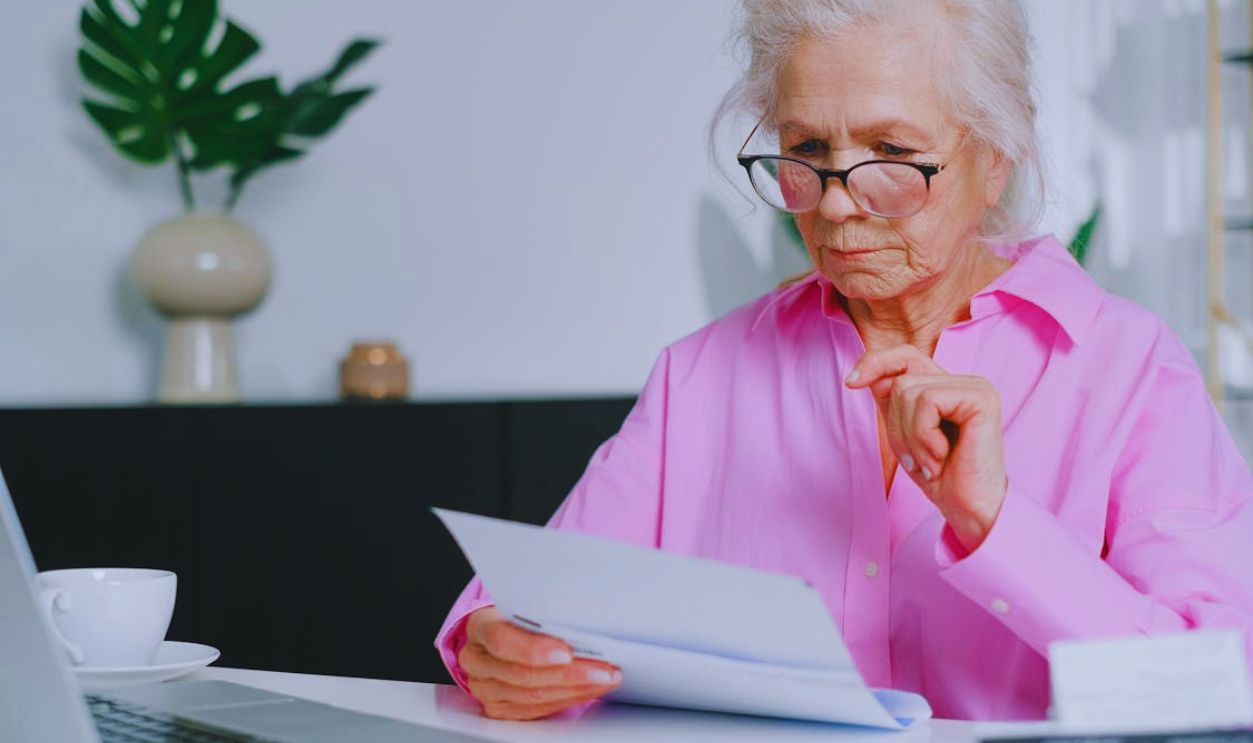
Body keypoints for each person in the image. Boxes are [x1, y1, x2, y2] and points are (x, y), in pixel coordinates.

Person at [434, 0, 1253, 722]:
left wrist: (996, 523)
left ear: (993, 153)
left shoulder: (1127, 368)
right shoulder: (702, 375)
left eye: (891, 151)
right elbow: (525, 606)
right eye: (806, 148)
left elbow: (1219, 685)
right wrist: (498, 647)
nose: (831, 201)